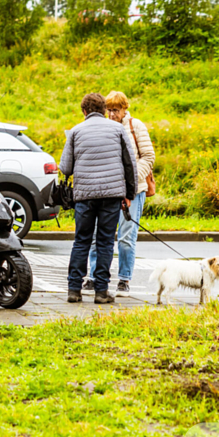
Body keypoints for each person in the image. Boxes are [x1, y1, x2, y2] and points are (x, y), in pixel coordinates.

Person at [60, 93, 137, 305]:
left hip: (85, 196)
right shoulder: (118, 129)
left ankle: (74, 290)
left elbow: (65, 167)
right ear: (104, 110)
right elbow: (130, 163)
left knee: (81, 240)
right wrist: (129, 194)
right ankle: (101, 291)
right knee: (104, 242)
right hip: (111, 195)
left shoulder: (75, 131)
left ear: (84, 111)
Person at [83, 91, 156, 296]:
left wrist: (130, 180)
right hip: (109, 190)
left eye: (116, 110)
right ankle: (94, 276)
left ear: (124, 109)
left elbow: (149, 156)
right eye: (109, 110)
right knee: (99, 235)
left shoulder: (135, 126)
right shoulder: (105, 127)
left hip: (134, 191)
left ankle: (124, 279)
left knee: (126, 237)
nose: (112, 114)